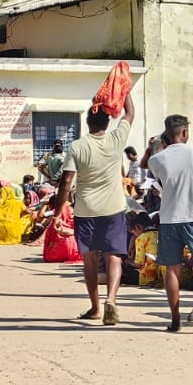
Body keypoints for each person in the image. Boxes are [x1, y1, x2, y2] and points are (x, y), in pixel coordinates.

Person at [59, 86, 135, 325]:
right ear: (107, 121)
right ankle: (111, 299)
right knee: (114, 257)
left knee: (90, 261)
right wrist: (123, 88)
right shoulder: (116, 139)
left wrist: (58, 210)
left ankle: (96, 308)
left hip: (86, 210)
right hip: (114, 209)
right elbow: (129, 114)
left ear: (87, 122)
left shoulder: (77, 146)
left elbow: (66, 181)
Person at [147, 113, 193, 333]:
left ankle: (175, 319)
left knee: (172, 268)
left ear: (166, 134)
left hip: (169, 219)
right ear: (185, 132)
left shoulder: (156, 160)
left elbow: (160, 183)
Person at [41, 195, 82, 264]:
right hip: (74, 253)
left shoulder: (56, 217)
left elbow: (41, 215)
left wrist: (44, 204)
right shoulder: (71, 215)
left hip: (55, 254)